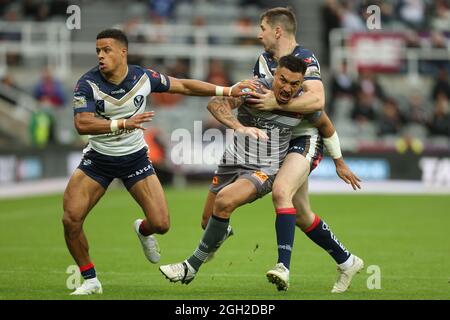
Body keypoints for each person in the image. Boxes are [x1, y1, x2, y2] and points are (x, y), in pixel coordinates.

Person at [63, 28, 253, 295]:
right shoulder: (87, 83)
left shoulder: (144, 77)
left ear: (122, 52)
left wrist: (227, 88)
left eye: (106, 50)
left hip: (134, 159)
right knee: (71, 219)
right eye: (98, 51)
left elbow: (184, 85)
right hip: (98, 160)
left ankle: (142, 229)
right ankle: (90, 279)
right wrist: (124, 123)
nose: (101, 56)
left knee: (161, 225)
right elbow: (82, 124)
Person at [205, 7, 363, 293]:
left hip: (304, 138)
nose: (258, 34)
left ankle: (283, 268)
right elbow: (259, 101)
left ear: (277, 31)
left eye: (262, 28)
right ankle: (347, 260)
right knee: (300, 214)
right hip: (280, 140)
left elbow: (317, 102)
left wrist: (338, 161)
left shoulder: (306, 59)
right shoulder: (263, 61)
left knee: (280, 191)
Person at [159, 55, 310, 284]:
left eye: (294, 84)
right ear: (275, 75)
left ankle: (190, 266)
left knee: (224, 199)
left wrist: (338, 160)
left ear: (301, 84)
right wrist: (240, 127)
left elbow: (325, 125)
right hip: (232, 161)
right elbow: (215, 103)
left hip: (264, 169)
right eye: (283, 80)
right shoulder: (254, 88)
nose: (288, 88)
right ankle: (222, 230)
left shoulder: (306, 103)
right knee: (207, 221)